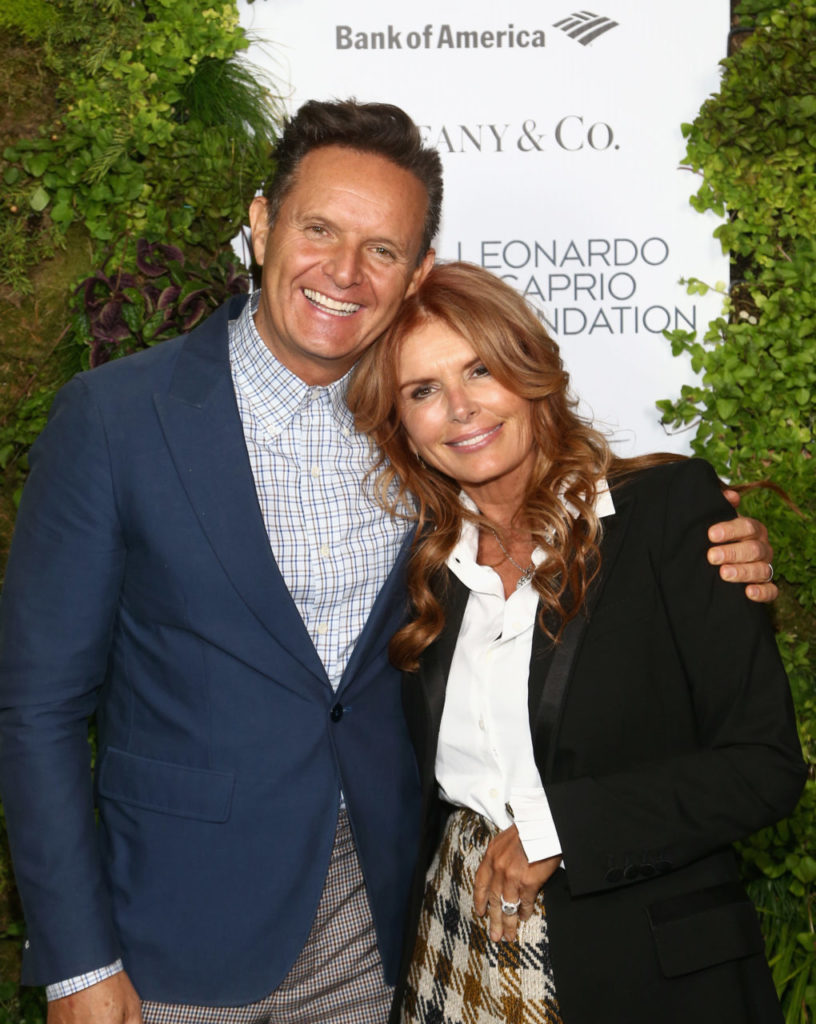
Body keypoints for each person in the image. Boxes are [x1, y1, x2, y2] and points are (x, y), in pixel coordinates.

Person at [0, 100, 777, 1024]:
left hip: (387, 937)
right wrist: (80, 965)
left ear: (417, 273)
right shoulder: (115, 417)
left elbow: (571, 554)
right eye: (319, 228)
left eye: (383, 249)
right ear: (260, 224)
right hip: (177, 938)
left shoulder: (420, 449)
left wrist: (723, 546)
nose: (344, 271)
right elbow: (38, 707)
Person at [346, 261, 806, 1024]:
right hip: (455, 950)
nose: (461, 409)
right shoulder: (421, 567)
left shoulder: (668, 513)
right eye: (422, 391)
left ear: (531, 370)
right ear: (401, 425)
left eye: (481, 369)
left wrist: (562, 826)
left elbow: (765, 767)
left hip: (643, 972)